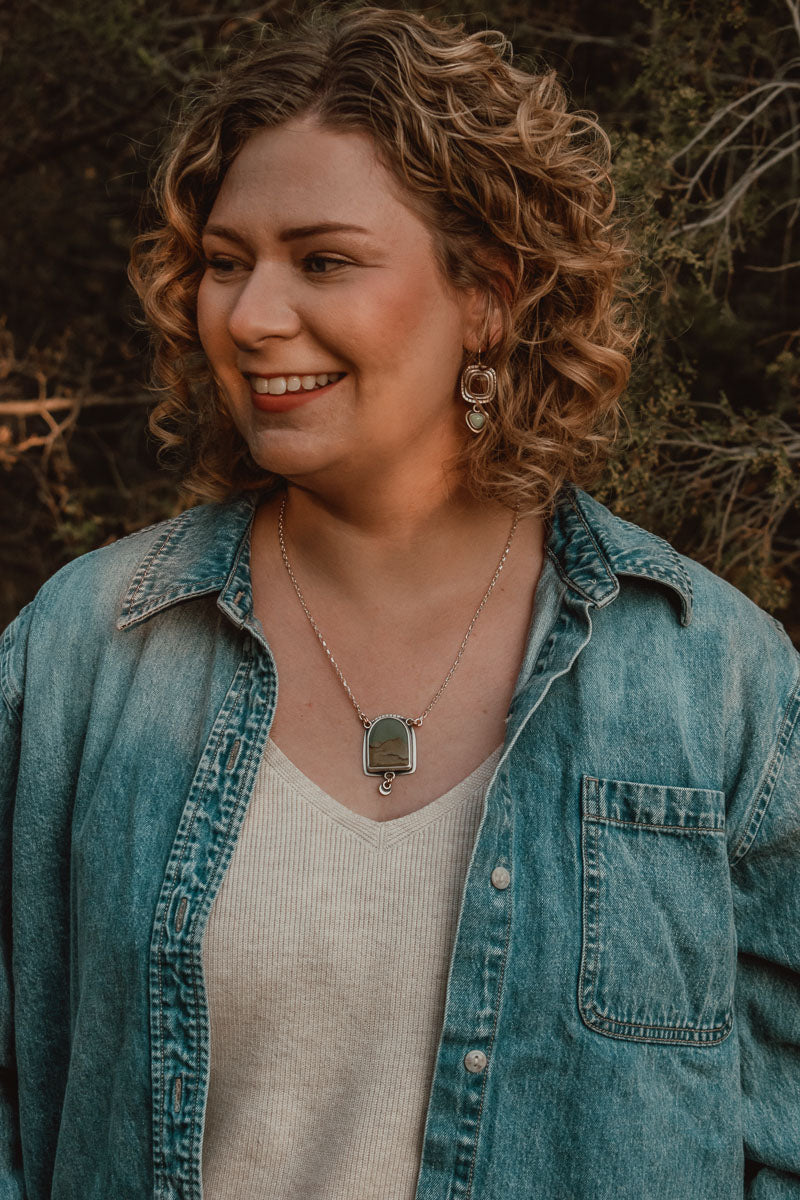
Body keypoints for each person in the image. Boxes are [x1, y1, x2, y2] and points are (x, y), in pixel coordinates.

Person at [2, 6, 798, 1198]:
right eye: (227, 261)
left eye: (322, 259)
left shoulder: (711, 675)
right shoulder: (86, 647)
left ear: (487, 293)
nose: (252, 315)